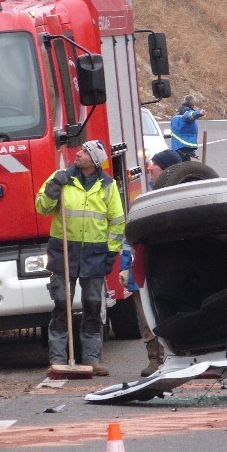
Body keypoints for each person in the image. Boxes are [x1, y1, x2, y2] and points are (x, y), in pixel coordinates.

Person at [35, 140, 125, 376]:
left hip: (94, 255)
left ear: (94, 162)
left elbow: (116, 222)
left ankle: (92, 358)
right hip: (63, 252)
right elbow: (41, 207)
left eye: (85, 152)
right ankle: (57, 359)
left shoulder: (108, 186)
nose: (79, 153)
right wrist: (54, 186)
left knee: (94, 306)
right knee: (62, 305)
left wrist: (112, 253)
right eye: (81, 149)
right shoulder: (61, 177)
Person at [119, 148, 182, 376]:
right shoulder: (145, 200)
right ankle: (155, 359)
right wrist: (126, 266)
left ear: (166, 169)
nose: (150, 169)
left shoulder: (182, 197)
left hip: (171, 268)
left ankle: (181, 356)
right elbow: (130, 236)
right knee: (145, 317)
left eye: (154, 165)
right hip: (143, 268)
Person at [169, 94, 206, 161]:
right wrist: (199, 113)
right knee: (186, 167)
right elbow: (190, 115)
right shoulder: (186, 111)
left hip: (177, 146)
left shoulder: (177, 113)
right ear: (192, 105)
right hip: (184, 145)